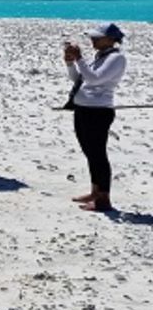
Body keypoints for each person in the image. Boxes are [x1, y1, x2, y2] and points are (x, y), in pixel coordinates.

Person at [64, 23, 127, 212]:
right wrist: (70, 63)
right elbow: (79, 79)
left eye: (98, 37)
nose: (93, 40)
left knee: (98, 154)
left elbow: (95, 79)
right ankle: (95, 191)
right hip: (84, 109)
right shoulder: (100, 57)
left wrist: (80, 58)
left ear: (110, 39)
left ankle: (104, 198)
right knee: (90, 153)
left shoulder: (117, 58)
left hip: (98, 112)